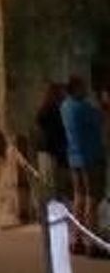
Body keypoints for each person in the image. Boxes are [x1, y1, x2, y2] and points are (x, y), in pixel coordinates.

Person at [61, 75, 106, 257]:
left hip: (74, 156)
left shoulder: (65, 106)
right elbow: (101, 118)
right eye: (83, 87)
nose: (86, 90)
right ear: (76, 88)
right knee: (92, 199)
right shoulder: (83, 107)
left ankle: (76, 240)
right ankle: (92, 243)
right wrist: (102, 104)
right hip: (90, 156)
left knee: (78, 198)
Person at [35, 82, 67, 200]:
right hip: (51, 150)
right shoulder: (53, 111)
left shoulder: (45, 110)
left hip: (46, 150)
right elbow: (56, 132)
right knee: (51, 185)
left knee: (49, 184)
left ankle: (48, 207)